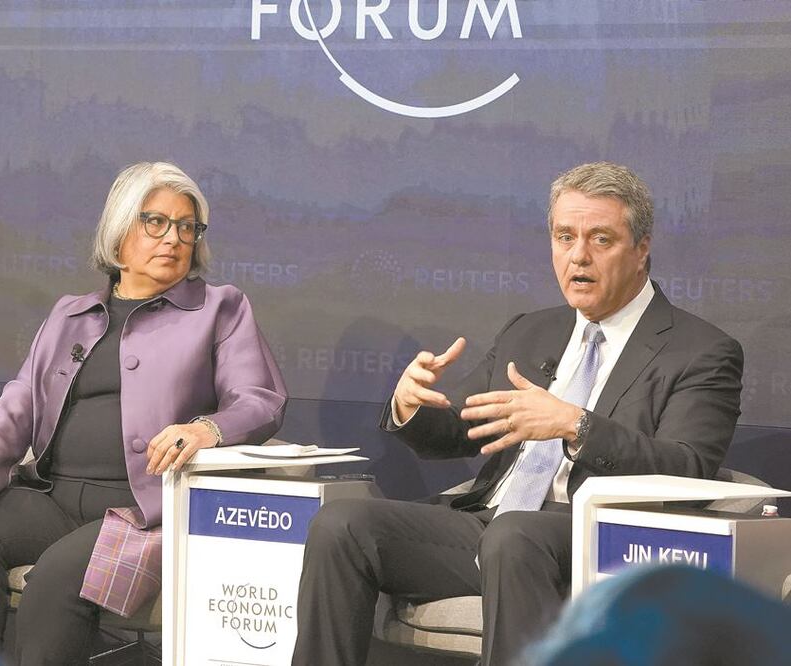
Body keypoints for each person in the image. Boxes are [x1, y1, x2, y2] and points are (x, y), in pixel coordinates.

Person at [292, 162, 743, 666]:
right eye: (564, 236)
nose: (578, 256)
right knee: (342, 525)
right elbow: (464, 429)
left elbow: (687, 468)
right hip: (492, 527)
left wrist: (577, 425)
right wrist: (411, 407)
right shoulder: (532, 332)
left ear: (641, 249)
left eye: (601, 239)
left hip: (599, 538)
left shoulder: (700, 350)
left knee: (516, 534)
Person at [0, 161, 287, 664]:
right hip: (54, 498)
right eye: (155, 222)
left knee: (56, 577)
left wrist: (207, 429)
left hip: (146, 512)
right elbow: (17, 405)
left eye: (187, 227)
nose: (174, 238)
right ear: (118, 237)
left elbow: (260, 400)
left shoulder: (219, 309)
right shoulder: (69, 314)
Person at [523, 565, 791, 666]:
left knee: (512, 537)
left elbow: (686, 461)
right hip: (489, 508)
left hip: (560, 514)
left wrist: (576, 436)